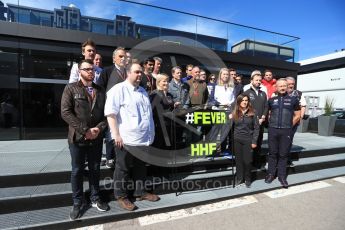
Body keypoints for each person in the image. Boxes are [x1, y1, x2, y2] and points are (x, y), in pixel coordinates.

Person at [105, 63, 160, 211]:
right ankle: (121, 196)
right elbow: (110, 113)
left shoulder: (142, 91)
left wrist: (150, 134)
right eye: (136, 72)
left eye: (140, 72)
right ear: (128, 73)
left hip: (143, 139)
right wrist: (116, 135)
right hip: (126, 139)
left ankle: (140, 192)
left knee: (140, 167)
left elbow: (147, 115)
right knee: (122, 169)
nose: (139, 75)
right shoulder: (118, 90)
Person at [61, 59, 109, 220]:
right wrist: (85, 130)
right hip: (77, 138)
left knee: (95, 169)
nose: (90, 71)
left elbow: (107, 115)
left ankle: (95, 198)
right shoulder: (71, 88)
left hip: (96, 138)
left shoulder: (101, 90)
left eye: (92, 69)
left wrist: (98, 129)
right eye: (86, 69)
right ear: (79, 71)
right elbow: (65, 112)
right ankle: (77, 202)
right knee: (77, 171)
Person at [265, 78, 301, 188]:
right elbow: (267, 114)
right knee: (272, 153)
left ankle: (282, 176)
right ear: (276, 87)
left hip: (286, 130)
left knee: (283, 154)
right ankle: (271, 174)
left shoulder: (293, 99)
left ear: (287, 87)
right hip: (273, 130)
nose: (282, 88)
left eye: (284, 86)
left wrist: (290, 126)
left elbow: (298, 115)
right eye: (280, 86)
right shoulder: (271, 100)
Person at [98, 47, 127, 169]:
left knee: (123, 134)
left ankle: (122, 157)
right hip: (112, 109)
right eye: (120, 56)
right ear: (114, 58)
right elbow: (100, 89)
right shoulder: (107, 71)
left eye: (124, 56)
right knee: (111, 134)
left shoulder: (128, 72)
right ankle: (110, 157)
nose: (123, 58)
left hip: (125, 110)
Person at [229, 94, 259, 188]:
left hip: (248, 140)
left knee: (247, 161)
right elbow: (229, 127)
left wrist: (254, 141)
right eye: (242, 100)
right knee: (238, 161)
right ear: (239, 102)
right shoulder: (235, 112)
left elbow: (256, 128)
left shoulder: (253, 112)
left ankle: (248, 178)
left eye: (246, 100)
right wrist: (229, 118)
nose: (244, 102)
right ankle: (239, 178)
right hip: (237, 139)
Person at [243, 70, 268, 170]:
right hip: (250, 123)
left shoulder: (263, 93)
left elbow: (266, 106)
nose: (258, 82)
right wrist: (253, 117)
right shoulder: (246, 92)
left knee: (258, 143)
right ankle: (248, 164)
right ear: (251, 80)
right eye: (256, 80)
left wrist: (263, 117)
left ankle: (257, 163)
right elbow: (244, 107)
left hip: (260, 123)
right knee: (250, 144)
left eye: (260, 80)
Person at [286, 76, 307, 167]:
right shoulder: (280, 92)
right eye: (289, 84)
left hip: (294, 121)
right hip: (281, 121)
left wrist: (300, 117)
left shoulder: (299, 93)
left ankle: (287, 159)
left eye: (292, 84)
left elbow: (303, 105)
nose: (291, 86)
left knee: (289, 140)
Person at [150, 74, 175, 149]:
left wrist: (174, 106)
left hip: (169, 124)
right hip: (159, 125)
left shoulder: (169, 95)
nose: (166, 83)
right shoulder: (155, 94)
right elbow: (153, 110)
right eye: (164, 81)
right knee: (159, 145)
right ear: (158, 82)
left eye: (167, 81)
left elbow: (169, 107)